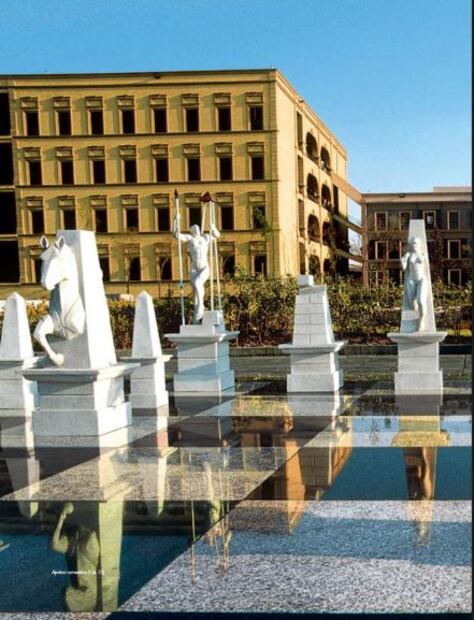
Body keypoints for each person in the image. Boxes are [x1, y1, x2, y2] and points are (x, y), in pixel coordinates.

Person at [172, 219, 220, 323]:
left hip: (204, 266)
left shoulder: (205, 237)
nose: (196, 229)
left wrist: (213, 227)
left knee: (198, 283)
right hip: (194, 266)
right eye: (193, 228)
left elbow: (217, 235)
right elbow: (176, 235)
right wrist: (175, 222)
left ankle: (201, 306)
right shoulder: (190, 238)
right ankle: (196, 317)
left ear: (199, 229)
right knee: (195, 290)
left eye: (197, 228)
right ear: (191, 231)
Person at [401, 237, 428, 331]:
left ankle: (421, 321)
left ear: (419, 245)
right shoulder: (408, 254)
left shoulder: (423, 254)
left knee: (421, 301)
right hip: (411, 279)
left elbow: (424, 263)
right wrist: (402, 262)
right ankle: (415, 319)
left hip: (421, 279)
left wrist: (421, 257)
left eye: (416, 243)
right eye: (413, 243)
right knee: (413, 304)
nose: (414, 245)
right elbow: (404, 268)